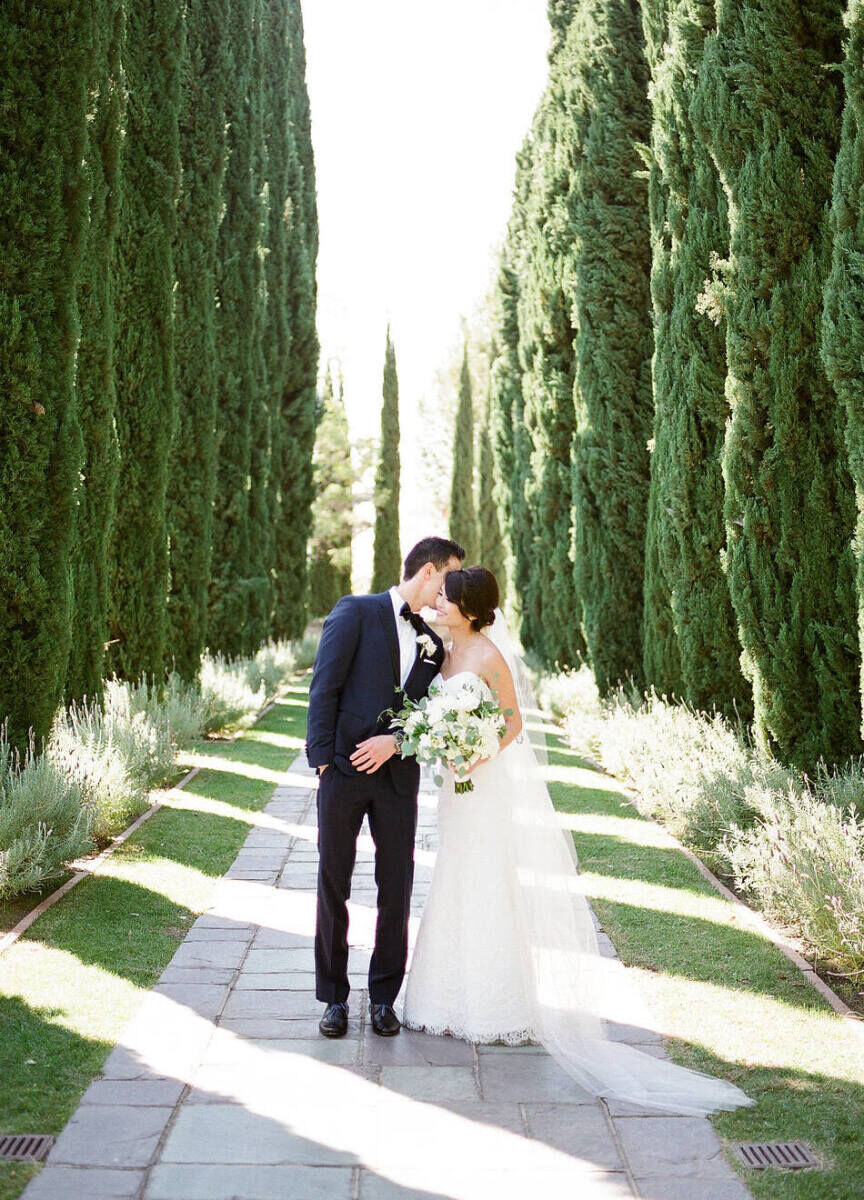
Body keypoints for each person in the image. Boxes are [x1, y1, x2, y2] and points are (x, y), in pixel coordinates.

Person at [402, 565, 754, 1116]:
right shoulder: (438, 653)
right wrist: (442, 745)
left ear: (471, 610)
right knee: (454, 879)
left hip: (483, 785)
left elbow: (511, 722)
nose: (437, 605)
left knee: (487, 882)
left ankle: (495, 1006)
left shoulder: (489, 657)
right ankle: (442, 998)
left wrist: (474, 753)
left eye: (446, 600)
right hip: (454, 791)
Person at [305, 536, 465, 1039]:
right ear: (428, 573)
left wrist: (394, 743)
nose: (450, 588)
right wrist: (324, 764)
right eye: (449, 577)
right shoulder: (355, 611)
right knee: (335, 882)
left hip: (398, 779)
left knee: (396, 887)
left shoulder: (434, 644)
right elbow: (324, 686)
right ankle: (333, 998)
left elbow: (422, 712)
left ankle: (382, 999)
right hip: (344, 773)